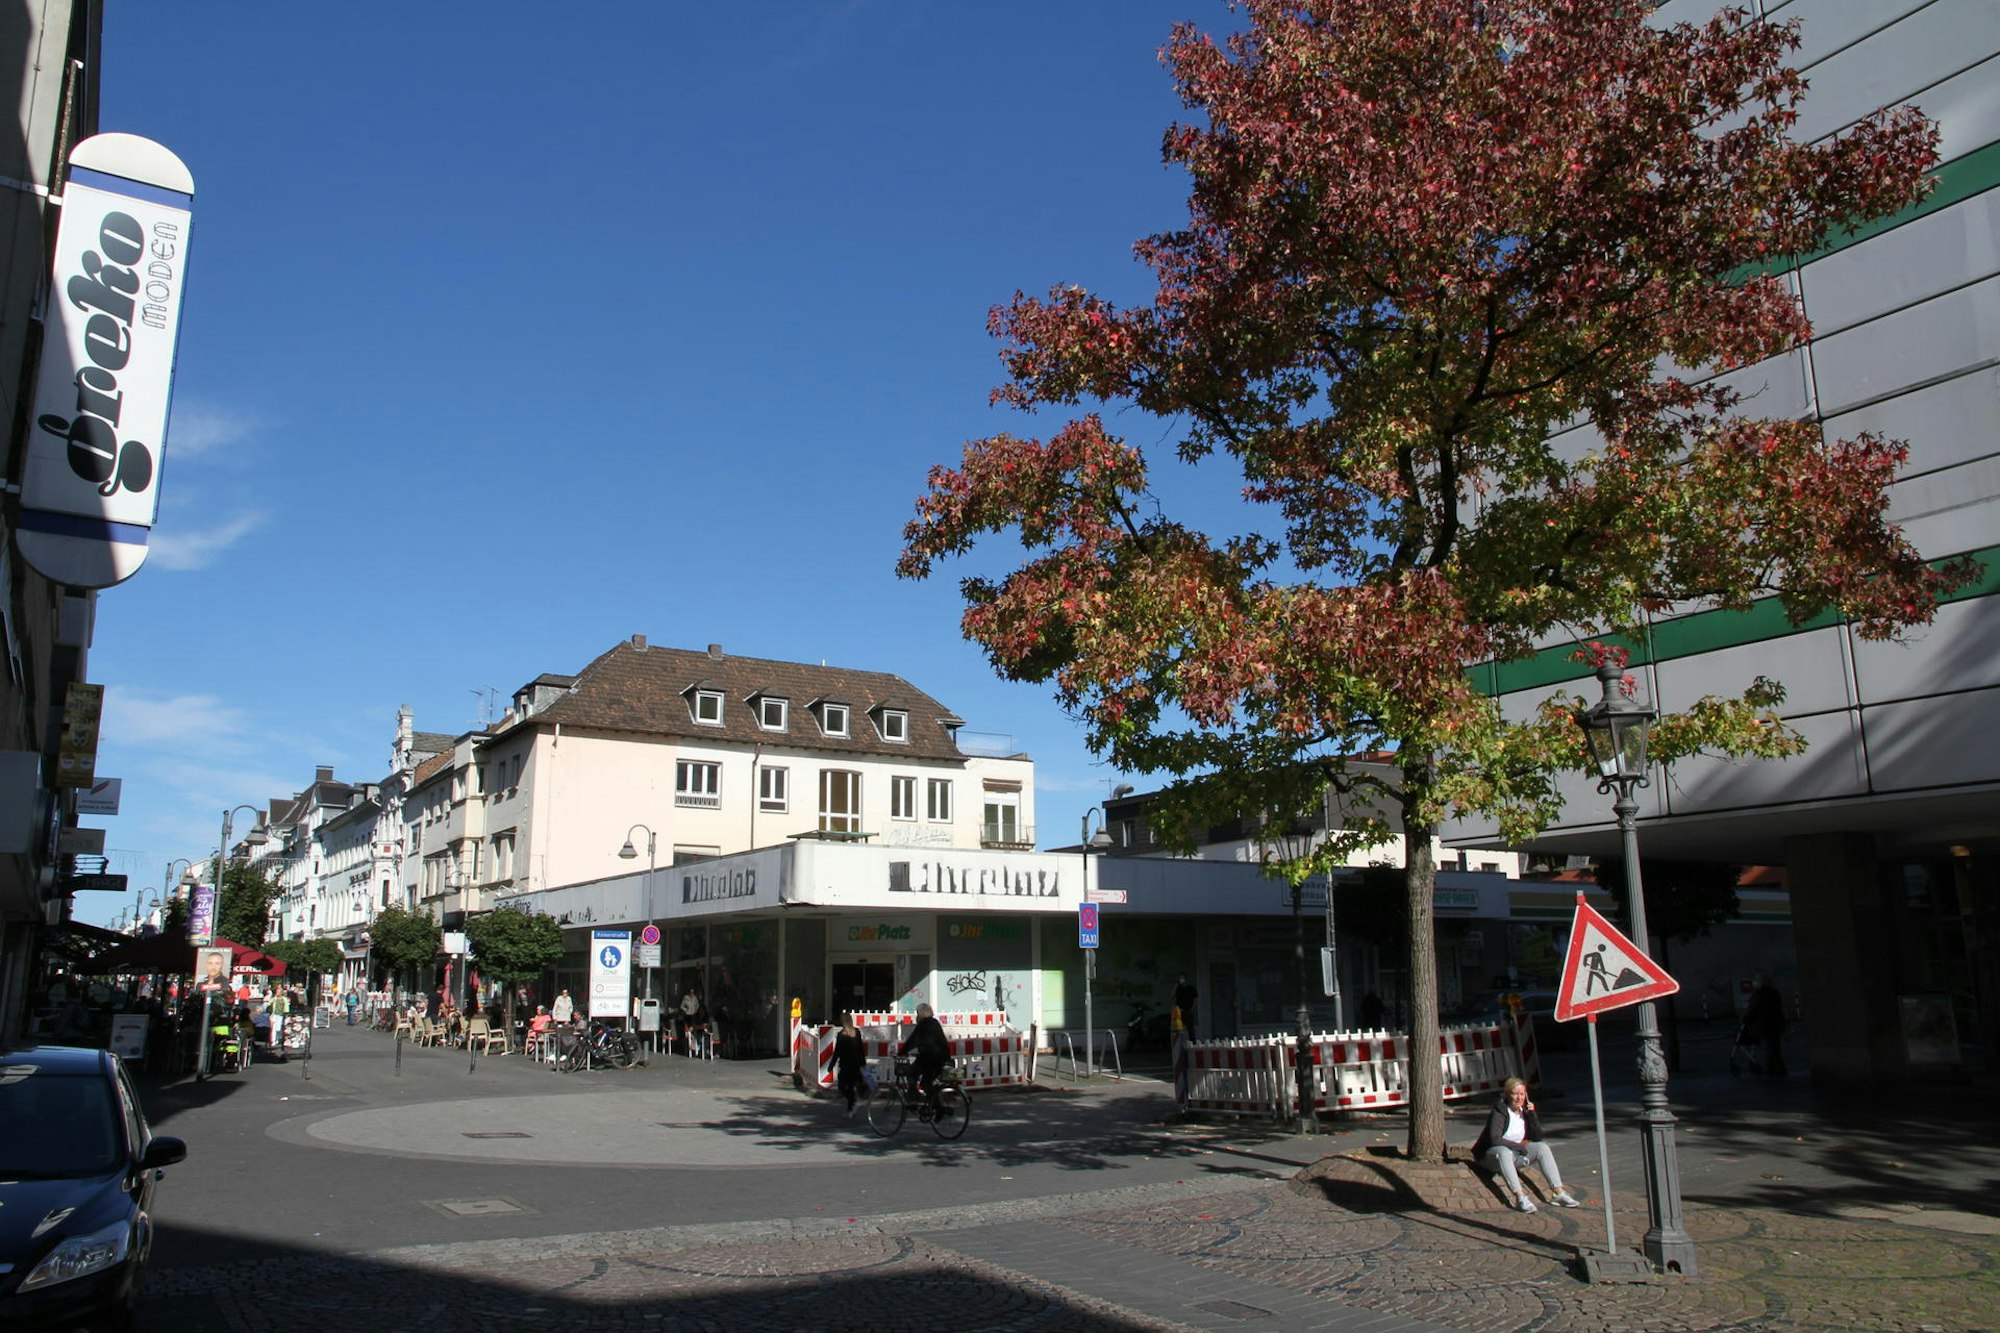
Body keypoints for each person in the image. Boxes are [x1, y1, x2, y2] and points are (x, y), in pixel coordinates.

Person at [1473, 1077, 1581, 1213]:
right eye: (1515, 1094)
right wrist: (1518, 1147)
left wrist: (1532, 1115)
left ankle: (1558, 1192)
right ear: (1508, 1094)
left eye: (1522, 1094)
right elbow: (1495, 1139)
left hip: (1515, 1155)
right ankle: (1520, 1198)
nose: (1519, 1098)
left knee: (1542, 1147)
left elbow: (1537, 1137)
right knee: (1504, 1152)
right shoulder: (1500, 1111)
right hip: (1491, 1156)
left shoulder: (1524, 1111)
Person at [899, 1002, 950, 1110]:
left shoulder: (923, 1025)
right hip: (941, 1058)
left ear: (921, 1014)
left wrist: (902, 1052)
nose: (916, 1016)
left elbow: (913, 1040)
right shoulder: (935, 1023)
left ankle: (913, 1099)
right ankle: (937, 1106)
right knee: (926, 1083)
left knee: (911, 1073)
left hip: (929, 1058)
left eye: (917, 1013)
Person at [1740, 973, 1787, 1077]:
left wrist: (1745, 1020)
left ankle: (1777, 1069)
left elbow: (1753, 1010)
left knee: (1771, 1048)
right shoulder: (1775, 993)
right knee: (1774, 1046)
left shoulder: (1758, 994)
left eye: (1756, 981)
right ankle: (1772, 1069)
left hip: (1765, 1025)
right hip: (1776, 1023)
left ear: (1759, 982)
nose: (1754, 983)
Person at [833, 1013, 869, 1119]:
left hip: (846, 1065)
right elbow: (860, 1049)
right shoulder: (856, 1032)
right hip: (857, 1064)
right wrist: (863, 1063)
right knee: (852, 1086)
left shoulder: (841, 1035)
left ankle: (853, 1103)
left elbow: (837, 1052)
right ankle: (851, 1109)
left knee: (842, 1086)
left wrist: (831, 1065)